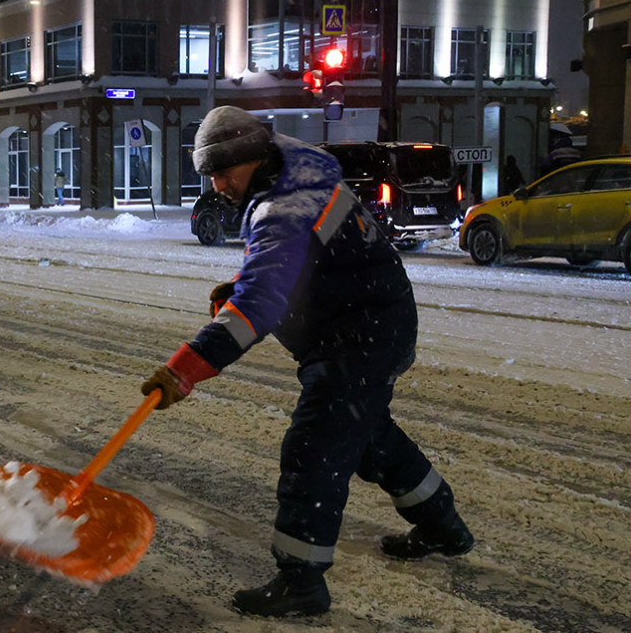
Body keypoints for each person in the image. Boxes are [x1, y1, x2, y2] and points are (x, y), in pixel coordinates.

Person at [141, 106, 474, 618]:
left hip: (360, 333)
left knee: (314, 447)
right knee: (366, 438)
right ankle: (442, 525)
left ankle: (301, 581)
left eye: (224, 171)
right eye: (210, 172)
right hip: (366, 321)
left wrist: (184, 370)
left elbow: (259, 304)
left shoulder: (285, 205)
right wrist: (242, 288)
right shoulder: (291, 179)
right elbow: (294, 264)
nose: (218, 183)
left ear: (253, 159)